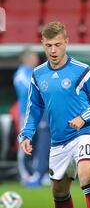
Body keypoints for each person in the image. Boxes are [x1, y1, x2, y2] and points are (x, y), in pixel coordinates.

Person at [18, 21, 90, 208]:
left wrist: (84, 117)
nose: (53, 50)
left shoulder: (83, 70)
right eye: (48, 45)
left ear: (66, 42)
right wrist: (27, 133)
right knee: (58, 191)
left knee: (86, 176)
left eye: (58, 44)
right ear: (42, 44)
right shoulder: (38, 74)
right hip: (58, 142)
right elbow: (33, 108)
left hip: (84, 134)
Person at [13, 50, 51, 187]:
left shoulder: (37, 72)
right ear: (27, 58)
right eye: (34, 56)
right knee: (25, 143)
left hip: (41, 113)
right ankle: (25, 174)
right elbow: (29, 90)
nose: (37, 58)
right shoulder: (21, 74)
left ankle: (38, 173)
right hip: (27, 114)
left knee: (42, 144)